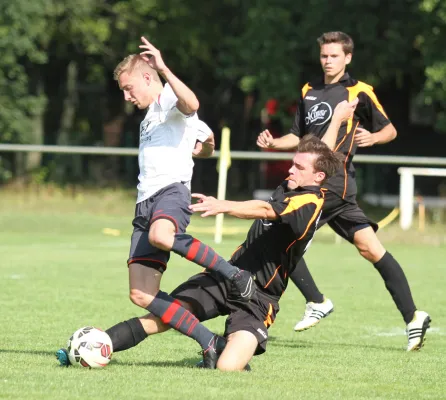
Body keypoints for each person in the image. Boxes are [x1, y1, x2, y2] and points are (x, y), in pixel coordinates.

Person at [56, 36, 255, 367]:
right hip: (143, 206)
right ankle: (210, 342)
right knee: (141, 295)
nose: (126, 96)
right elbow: (206, 139)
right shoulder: (151, 115)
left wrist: (163, 67)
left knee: (161, 236)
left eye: (129, 87)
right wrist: (204, 148)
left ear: (148, 77)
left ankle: (233, 274)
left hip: (171, 193)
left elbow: (191, 105)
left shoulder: (167, 101)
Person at [87, 135, 345, 371]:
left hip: (260, 298)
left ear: (318, 177)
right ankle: (96, 345)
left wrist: (223, 205)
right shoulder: (292, 185)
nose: (291, 169)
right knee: (165, 315)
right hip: (228, 277)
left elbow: (266, 210)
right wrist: (338, 117)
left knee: (227, 367)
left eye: (299, 167)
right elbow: (324, 149)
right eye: (293, 163)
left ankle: (223, 348)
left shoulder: (310, 201)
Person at [256, 31, 430, 351]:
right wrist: (274, 143)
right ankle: (414, 316)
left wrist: (373, 139)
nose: (328, 61)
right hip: (319, 181)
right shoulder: (309, 90)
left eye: (334, 56)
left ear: (347, 58)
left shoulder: (359, 92)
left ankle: (315, 301)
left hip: (331, 181)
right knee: (369, 247)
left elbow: (389, 129)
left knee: (279, 233)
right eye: (324, 55)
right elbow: (298, 135)